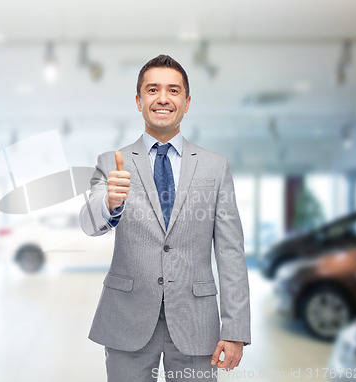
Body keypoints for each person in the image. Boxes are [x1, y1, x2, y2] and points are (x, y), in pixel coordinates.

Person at [79, 54, 250, 382]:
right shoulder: (112, 162)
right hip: (127, 318)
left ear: (186, 102)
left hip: (196, 321)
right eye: (152, 89)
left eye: (173, 91)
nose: (162, 98)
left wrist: (236, 329)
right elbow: (88, 223)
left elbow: (231, 252)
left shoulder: (215, 167)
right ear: (139, 100)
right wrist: (109, 203)